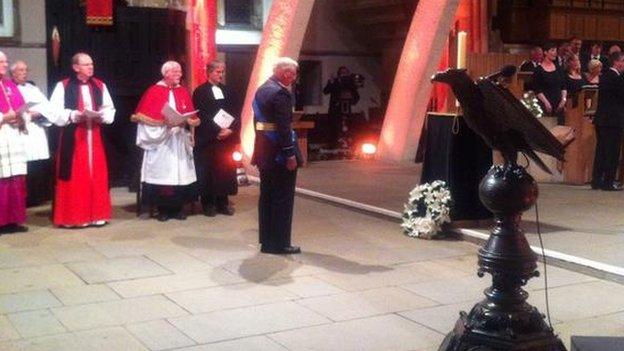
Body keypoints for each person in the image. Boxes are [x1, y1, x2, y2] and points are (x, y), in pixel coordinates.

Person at [49, 53, 115, 228]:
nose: (90, 67)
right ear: (76, 67)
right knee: (75, 175)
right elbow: (53, 111)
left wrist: (103, 116)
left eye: (92, 64)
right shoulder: (63, 86)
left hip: (95, 135)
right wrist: (73, 114)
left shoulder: (100, 85)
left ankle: (97, 215)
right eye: (86, 64)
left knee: (96, 174)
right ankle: (74, 216)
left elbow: (109, 108)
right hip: (74, 136)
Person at [133, 61, 199, 221]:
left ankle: (177, 208)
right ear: (166, 73)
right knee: (164, 174)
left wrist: (187, 120)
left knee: (179, 173)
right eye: (175, 71)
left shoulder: (182, 91)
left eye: (180, 71)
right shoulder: (154, 91)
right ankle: (163, 209)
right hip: (161, 140)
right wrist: (164, 124)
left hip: (179, 139)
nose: (179, 74)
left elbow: (191, 116)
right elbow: (143, 117)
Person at [252, 57, 302, 255]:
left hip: (264, 149)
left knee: (267, 196)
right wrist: (290, 154)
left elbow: (258, 122)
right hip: (279, 153)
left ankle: (267, 241)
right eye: (293, 73)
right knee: (282, 198)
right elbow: (283, 128)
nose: (294, 77)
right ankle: (280, 243)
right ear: (285, 73)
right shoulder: (281, 94)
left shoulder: (263, 88)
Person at [192, 60, 239, 217]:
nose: (221, 75)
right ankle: (208, 203)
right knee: (208, 171)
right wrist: (216, 131)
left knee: (225, 170)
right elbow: (201, 115)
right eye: (218, 72)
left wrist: (230, 130)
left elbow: (235, 112)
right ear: (209, 73)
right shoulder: (200, 92)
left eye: (222, 72)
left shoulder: (229, 91)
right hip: (208, 139)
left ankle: (223, 202)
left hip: (226, 139)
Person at [11, 60, 55, 207]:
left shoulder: (32, 87)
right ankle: (25, 198)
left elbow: (46, 105)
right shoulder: (9, 88)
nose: (24, 73)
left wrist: (37, 113)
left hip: (36, 130)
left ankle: (39, 196)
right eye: (20, 70)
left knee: (38, 163)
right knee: (25, 163)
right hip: (21, 130)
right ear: (13, 73)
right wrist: (26, 114)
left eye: (25, 70)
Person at [0, 51, 29, 234]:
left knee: (14, 178)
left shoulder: (10, 85)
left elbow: (23, 108)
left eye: (5, 61)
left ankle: (13, 219)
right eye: (1, 62)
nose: (4, 64)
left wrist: (20, 118)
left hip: (12, 136)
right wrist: (3, 117)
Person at [591, 51, 624, 191]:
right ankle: (608, 182)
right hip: (613, 121)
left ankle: (597, 180)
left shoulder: (605, 76)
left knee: (601, 151)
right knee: (612, 152)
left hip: (603, 120)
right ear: (617, 62)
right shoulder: (615, 78)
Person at [323, 66, 360, 148]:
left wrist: (352, 100)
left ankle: (347, 143)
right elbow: (325, 91)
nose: (343, 74)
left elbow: (356, 95)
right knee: (334, 126)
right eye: (342, 72)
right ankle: (334, 144)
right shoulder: (334, 81)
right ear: (339, 73)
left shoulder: (350, 82)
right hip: (335, 108)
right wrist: (331, 82)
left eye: (345, 72)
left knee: (347, 125)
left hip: (346, 108)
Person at [533, 42, 567, 125]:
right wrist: (546, 102)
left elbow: (564, 86)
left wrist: (563, 100)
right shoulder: (538, 70)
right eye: (552, 50)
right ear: (545, 52)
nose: (555, 53)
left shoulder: (559, 68)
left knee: (560, 132)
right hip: (545, 105)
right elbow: (537, 89)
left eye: (555, 50)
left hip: (559, 105)